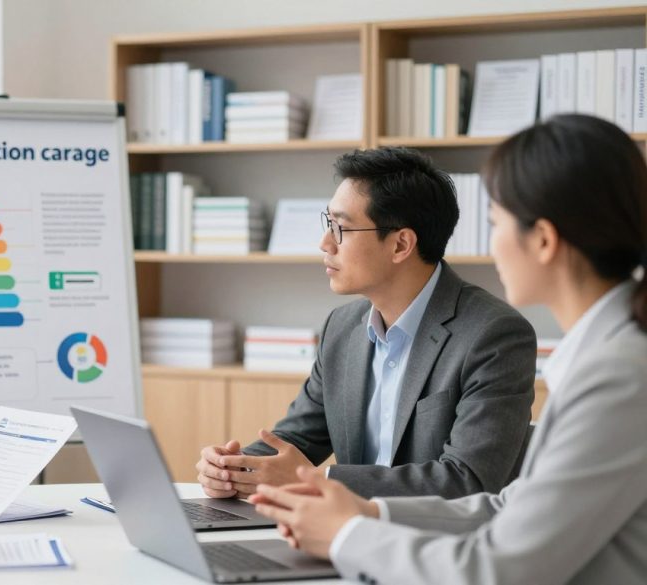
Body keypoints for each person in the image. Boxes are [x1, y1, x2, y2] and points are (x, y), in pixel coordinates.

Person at [250, 114, 647, 584]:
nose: (491, 246)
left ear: (543, 240)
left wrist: (345, 534)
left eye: (495, 223)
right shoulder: (606, 360)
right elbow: (506, 508)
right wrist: (369, 514)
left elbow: (497, 569)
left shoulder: (619, 377)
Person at [197, 147, 537, 500]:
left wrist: (323, 480)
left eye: (341, 228)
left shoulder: (494, 335)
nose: (325, 243)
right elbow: (296, 440)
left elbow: (467, 480)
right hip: (344, 528)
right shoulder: (342, 327)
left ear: (401, 244)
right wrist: (231, 469)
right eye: (328, 224)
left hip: (435, 533)